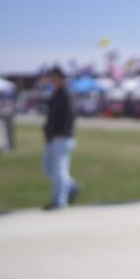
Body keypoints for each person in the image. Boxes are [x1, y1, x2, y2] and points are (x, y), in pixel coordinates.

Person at [42, 66, 79, 210]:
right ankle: (71, 186)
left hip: (62, 137)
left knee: (59, 170)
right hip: (54, 136)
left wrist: (60, 131)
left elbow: (69, 116)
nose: (51, 80)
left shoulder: (65, 93)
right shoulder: (57, 92)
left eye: (53, 77)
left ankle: (59, 201)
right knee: (48, 167)